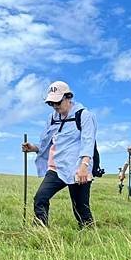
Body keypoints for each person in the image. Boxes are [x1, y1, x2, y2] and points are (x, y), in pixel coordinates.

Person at [21, 81, 96, 228]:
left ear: (68, 97)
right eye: (51, 103)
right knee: (40, 198)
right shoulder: (52, 118)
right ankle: (40, 232)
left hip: (77, 168)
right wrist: (34, 148)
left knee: (80, 207)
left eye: (57, 101)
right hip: (56, 168)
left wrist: (84, 167)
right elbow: (47, 142)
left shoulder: (84, 116)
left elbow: (88, 142)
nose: (55, 106)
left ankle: (90, 235)